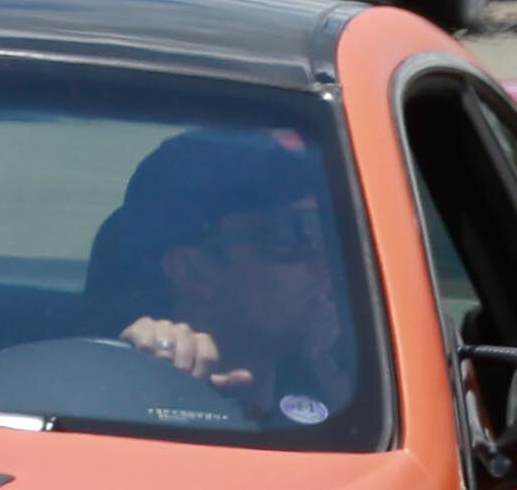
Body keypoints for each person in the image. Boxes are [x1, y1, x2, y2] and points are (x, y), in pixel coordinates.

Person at [91, 130, 354, 426]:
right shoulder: (110, 393)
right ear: (193, 270)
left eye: (329, 234)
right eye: (292, 235)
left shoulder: (352, 384)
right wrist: (145, 368)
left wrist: (339, 377)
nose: (327, 262)